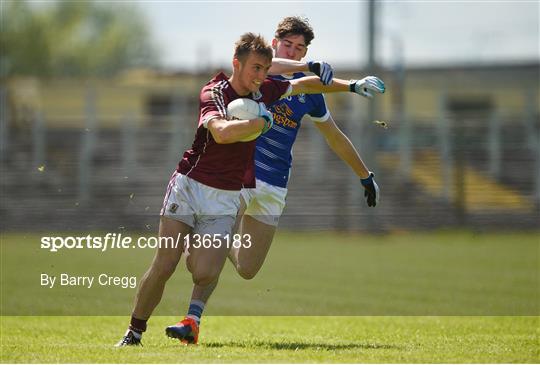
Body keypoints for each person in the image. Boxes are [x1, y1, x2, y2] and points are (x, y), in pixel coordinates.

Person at [115, 32, 375, 347]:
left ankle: (198, 253)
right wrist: (257, 124)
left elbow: (304, 84)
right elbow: (222, 133)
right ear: (237, 64)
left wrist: (351, 86)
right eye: (255, 68)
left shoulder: (267, 89)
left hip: (226, 193)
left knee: (204, 271)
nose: (260, 76)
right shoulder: (215, 92)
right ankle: (134, 332)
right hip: (190, 185)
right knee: (165, 264)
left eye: (265, 70)